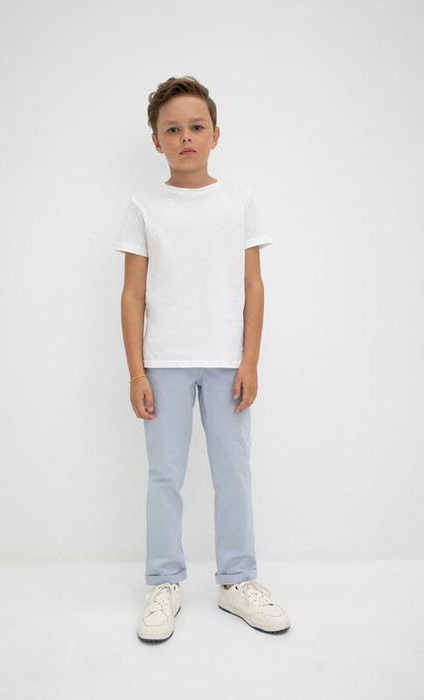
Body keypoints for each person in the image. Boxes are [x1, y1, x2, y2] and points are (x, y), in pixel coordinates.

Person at [114, 75, 290, 643]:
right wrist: (137, 372)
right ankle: (163, 582)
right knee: (164, 475)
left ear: (215, 135)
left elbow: (254, 287)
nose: (185, 137)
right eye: (172, 130)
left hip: (226, 362)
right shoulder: (143, 207)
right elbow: (133, 295)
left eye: (196, 127)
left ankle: (237, 580)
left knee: (233, 471)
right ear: (156, 141)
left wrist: (250, 361)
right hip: (163, 363)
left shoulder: (240, 202)